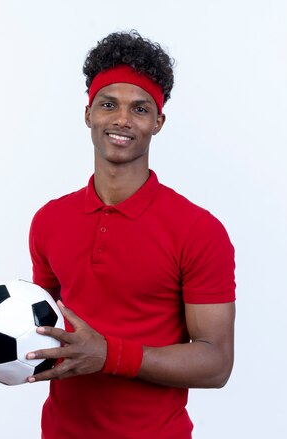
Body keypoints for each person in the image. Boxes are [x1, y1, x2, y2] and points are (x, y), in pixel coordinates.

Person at [26, 30, 236, 439]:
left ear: (158, 122)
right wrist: (9, 357)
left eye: (139, 109)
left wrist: (108, 355)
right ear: (88, 114)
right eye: (109, 105)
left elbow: (216, 363)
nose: (122, 120)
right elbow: (42, 326)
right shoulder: (49, 220)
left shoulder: (198, 230)